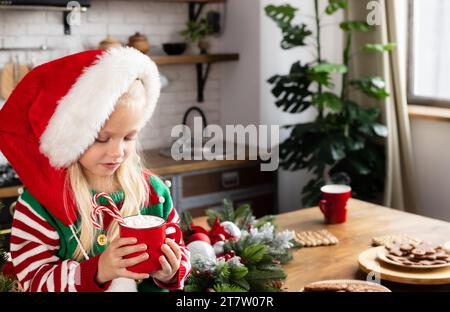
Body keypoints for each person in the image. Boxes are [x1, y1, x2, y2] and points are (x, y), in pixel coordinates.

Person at [0, 47, 191, 292]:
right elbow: (33, 281)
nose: (117, 152)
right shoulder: (41, 205)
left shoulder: (153, 192)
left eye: (129, 137)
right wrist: (98, 270)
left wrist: (171, 272)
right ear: (70, 136)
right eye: (102, 139)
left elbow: (180, 251)